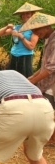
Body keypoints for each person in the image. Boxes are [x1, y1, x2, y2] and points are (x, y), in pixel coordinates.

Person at [19, 12, 55, 143]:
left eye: (37, 29)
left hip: (52, 82)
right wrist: (31, 77)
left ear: (46, 26)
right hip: (49, 82)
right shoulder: (48, 39)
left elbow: (51, 67)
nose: (35, 33)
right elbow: (45, 65)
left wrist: (33, 81)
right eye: (33, 30)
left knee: (49, 109)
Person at [0, 2, 42, 77]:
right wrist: (7, 27)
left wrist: (21, 36)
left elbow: (31, 47)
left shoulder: (34, 30)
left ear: (32, 15)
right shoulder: (17, 27)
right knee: (12, 78)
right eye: (23, 14)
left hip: (25, 57)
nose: (25, 15)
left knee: (26, 79)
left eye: (28, 13)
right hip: (14, 55)